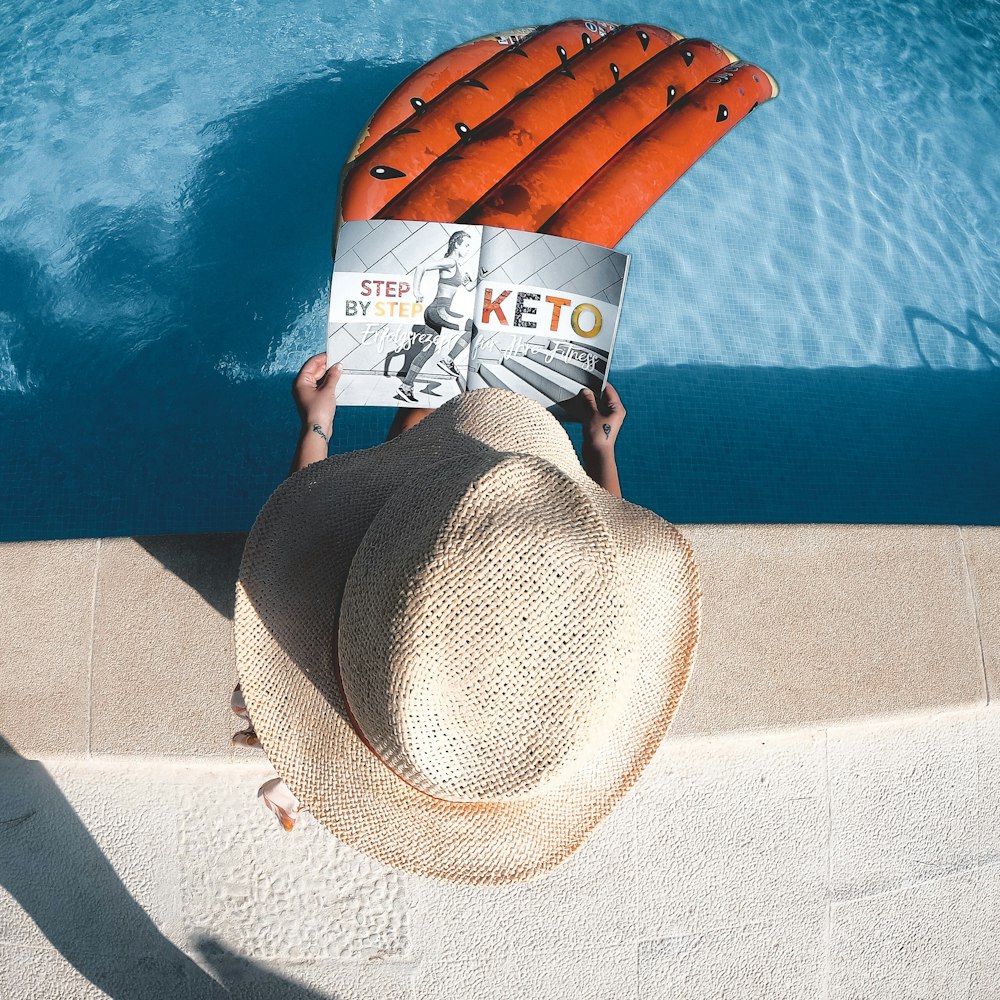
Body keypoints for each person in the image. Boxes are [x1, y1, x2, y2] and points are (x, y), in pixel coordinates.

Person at [232, 353, 700, 883]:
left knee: (419, 417)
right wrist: (601, 450)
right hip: (376, 700)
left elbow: (311, 532)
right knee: (422, 425)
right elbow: (595, 582)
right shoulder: (559, 706)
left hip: (372, 676)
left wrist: (318, 424)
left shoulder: (399, 674)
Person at [393, 230, 476, 403]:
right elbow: (421, 267)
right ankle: (448, 360)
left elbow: (469, 287)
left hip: (433, 312)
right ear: (457, 244)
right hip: (439, 310)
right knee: (472, 328)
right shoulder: (450, 262)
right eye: (466, 245)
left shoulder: (459, 266)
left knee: (428, 350)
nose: (468, 249)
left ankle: (405, 387)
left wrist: (481, 278)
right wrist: (416, 290)